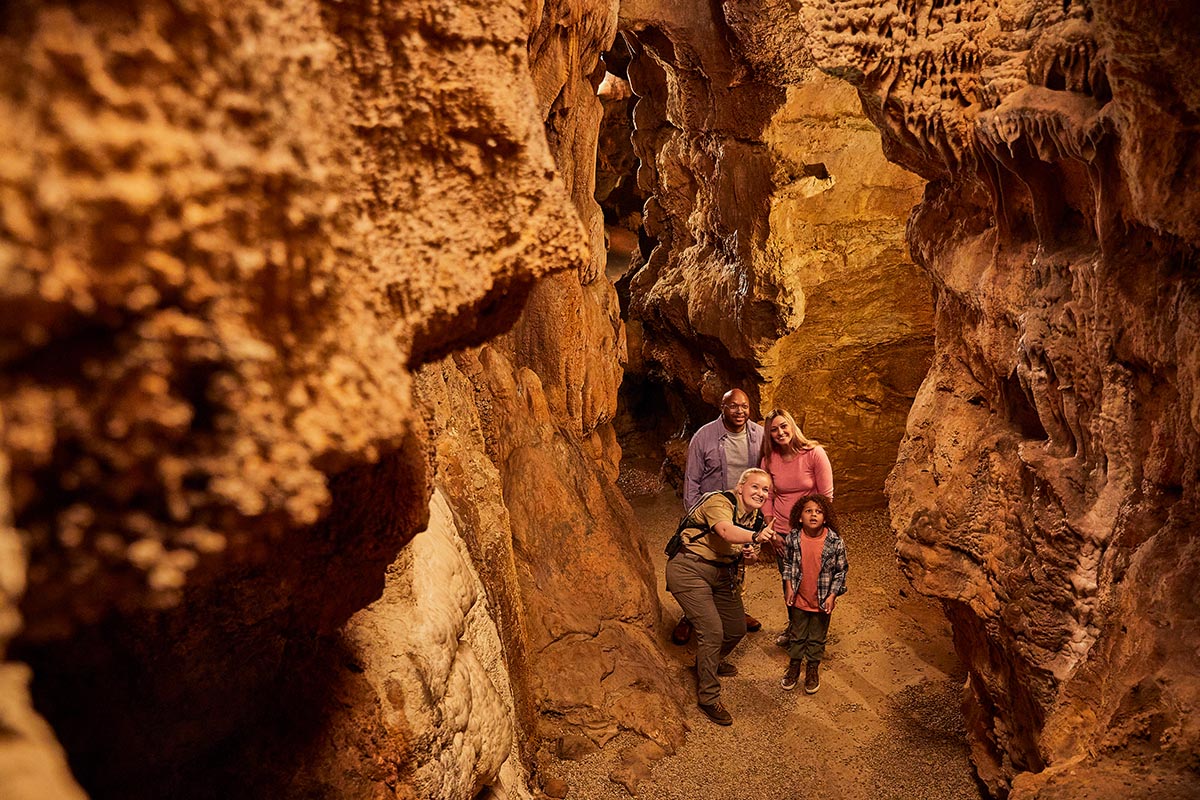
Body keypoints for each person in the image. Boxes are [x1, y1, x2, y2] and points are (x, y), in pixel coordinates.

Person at [666, 468, 775, 725]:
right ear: (741, 487)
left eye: (765, 490)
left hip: (723, 574)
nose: (760, 493)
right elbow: (725, 531)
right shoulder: (719, 501)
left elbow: (750, 556)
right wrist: (755, 536)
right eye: (755, 486)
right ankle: (708, 697)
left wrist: (751, 554)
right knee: (712, 631)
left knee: (736, 629)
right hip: (689, 569)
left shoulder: (754, 518)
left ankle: (708, 661)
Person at [673, 388, 767, 644]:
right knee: (705, 561)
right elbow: (692, 480)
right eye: (733, 406)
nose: (740, 411)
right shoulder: (704, 437)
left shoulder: (759, 436)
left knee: (736, 564)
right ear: (722, 408)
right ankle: (690, 616)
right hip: (713, 513)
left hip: (743, 512)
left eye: (744, 406)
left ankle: (733, 610)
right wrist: (695, 517)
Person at [758, 408, 833, 646]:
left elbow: (826, 497)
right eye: (774, 430)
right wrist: (772, 531)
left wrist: (813, 532)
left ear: (791, 426)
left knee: (814, 582)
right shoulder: (769, 460)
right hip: (782, 531)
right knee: (789, 581)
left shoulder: (814, 453)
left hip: (810, 531)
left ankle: (815, 634)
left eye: (783, 426)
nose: (780, 432)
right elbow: (767, 496)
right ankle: (795, 629)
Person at [779, 493, 848, 694]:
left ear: (825, 518)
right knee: (797, 634)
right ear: (800, 517)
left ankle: (812, 668)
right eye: (808, 511)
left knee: (817, 637)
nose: (813, 515)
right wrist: (789, 587)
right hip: (799, 598)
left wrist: (832, 595)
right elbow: (788, 564)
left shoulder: (835, 542)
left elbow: (841, 571)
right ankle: (794, 666)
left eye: (818, 511)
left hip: (822, 601)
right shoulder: (793, 538)